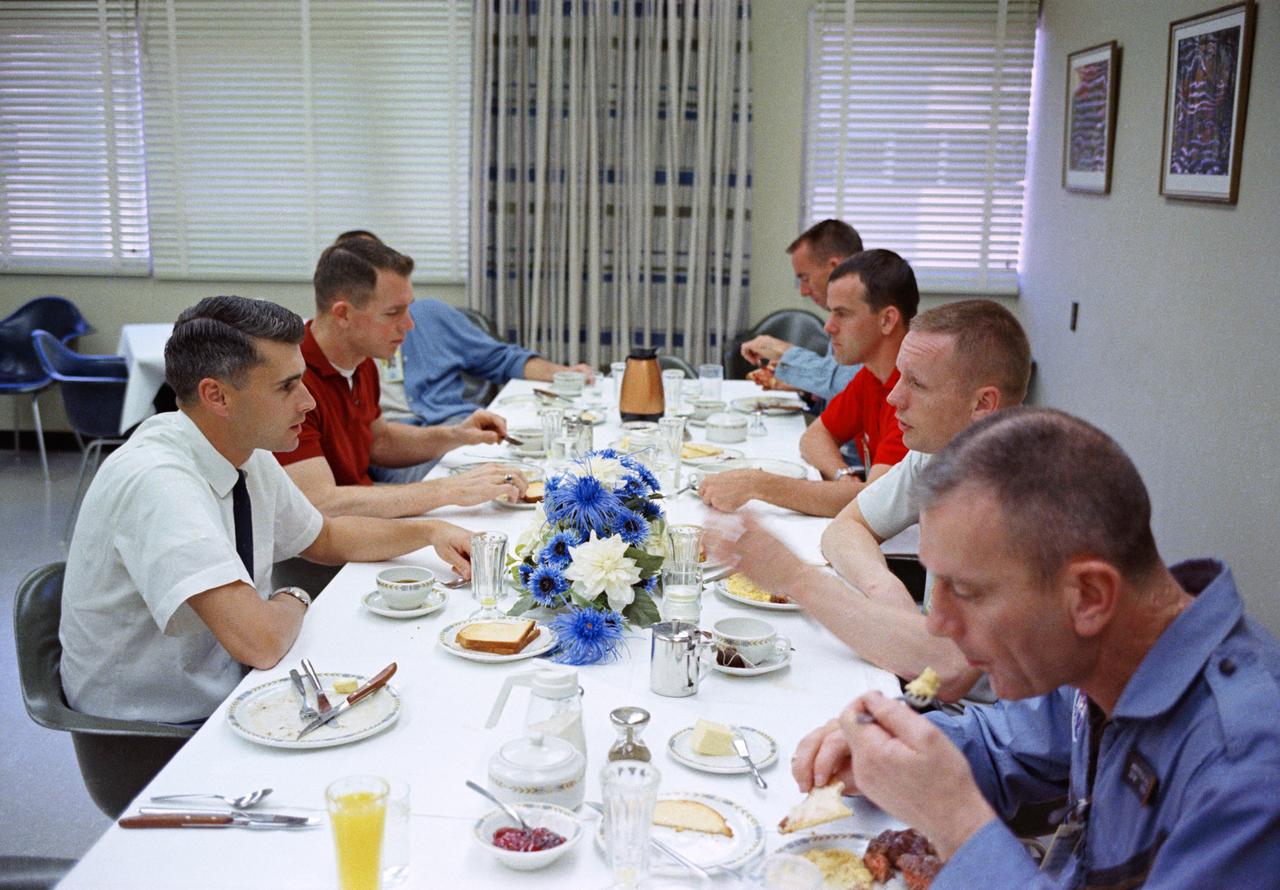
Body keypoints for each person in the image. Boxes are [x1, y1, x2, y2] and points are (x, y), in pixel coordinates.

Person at [790, 408, 1280, 888]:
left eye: (966, 591)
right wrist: (897, 751)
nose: (936, 626)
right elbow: (1012, 745)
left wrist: (958, 824)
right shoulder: (1107, 660)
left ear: (1089, 596)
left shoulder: (1246, 774)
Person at [59, 296, 476, 724]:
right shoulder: (158, 480)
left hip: (230, 687)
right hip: (158, 727)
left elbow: (324, 536)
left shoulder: (242, 449)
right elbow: (261, 642)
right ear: (217, 396)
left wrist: (429, 533)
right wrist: (294, 595)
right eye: (286, 387)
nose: (308, 402)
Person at [711, 300, 1030, 702]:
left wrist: (794, 577)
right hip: (930, 691)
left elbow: (942, 670)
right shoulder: (939, 452)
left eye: (917, 383)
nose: (894, 397)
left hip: (980, 729)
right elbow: (847, 527)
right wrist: (887, 592)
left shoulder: (1015, 509)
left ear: (983, 404)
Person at [275, 236, 528, 517]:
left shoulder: (362, 361)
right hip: (329, 546)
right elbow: (320, 503)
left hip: (361, 522)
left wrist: (458, 435)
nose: (409, 325)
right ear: (343, 314)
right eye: (394, 312)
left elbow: (378, 441)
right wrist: (448, 490)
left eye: (408, 308)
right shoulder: (289, 383)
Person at [700, 249, 917, 517]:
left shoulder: (914, 392)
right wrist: (843, 475)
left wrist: (756, 484)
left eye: (842, 314)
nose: (828, 327)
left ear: (887, 320)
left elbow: (874, 501)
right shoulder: (872, 375)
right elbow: (815, 436)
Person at [330, 230, 594, 432]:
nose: (407, 324)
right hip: (404, 444)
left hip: (456, 423)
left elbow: (501, 358)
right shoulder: (328, 351)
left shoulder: (427, 315)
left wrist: (563, 374)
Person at [740, 218, 864, 402]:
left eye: (805, 278)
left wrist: (782, 350)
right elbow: (837, 387)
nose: (803, 291)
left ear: (835, 268)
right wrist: (807, 390)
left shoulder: (867, 314)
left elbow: (845, 388)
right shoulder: (845, 314)